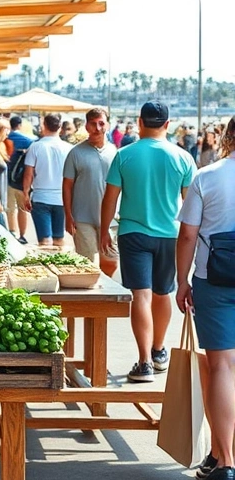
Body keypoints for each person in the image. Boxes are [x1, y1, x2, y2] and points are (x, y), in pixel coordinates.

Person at [100, 101, 196, 383]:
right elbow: (189, 205)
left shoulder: (124, 155)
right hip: (170, 234)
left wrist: (105, 229)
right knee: (162, 293)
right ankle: (158, 351)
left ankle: (143, 363)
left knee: (140, 295)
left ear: (140, 122)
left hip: (133, 233)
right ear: (167, 124)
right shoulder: (183, 158)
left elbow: (110, 198)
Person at [176, 117, 235, 480]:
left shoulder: (207, 176)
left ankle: (226, 462)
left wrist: (181, 281)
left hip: (215, 280)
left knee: (222, 366)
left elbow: (187, 235)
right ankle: (218, 453)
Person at [62, 108, 118, 276]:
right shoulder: (75, 153)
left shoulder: (116, 152)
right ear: (86, 126)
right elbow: (67, 185)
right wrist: (68, 216)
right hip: (82, 218)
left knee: (111, 262)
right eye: (93, 124)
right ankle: (95, 297)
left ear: (107, 125)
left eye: (101, 123)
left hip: (110, 219)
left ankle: (103, 289)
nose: (97, 128)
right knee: (87, 266)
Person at [22, 113, 72, 247]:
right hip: (62, 198)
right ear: (60, 127)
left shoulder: (35, 147)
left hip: (41, 197)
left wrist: (26, 194)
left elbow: (28, 174)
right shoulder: (69, 148)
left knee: (44, 242)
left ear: (44, 126)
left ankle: (46, 267)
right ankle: (60, 266)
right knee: (59, 239)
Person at [5, 116, 35, 244]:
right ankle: (22, 235)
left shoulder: (5, 138)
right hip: (20, 179)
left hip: (7, 178)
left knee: (10, 208)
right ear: (20, 125)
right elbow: (34, 146)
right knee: (22, 209)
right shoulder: (27, 140)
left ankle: (12, 232)